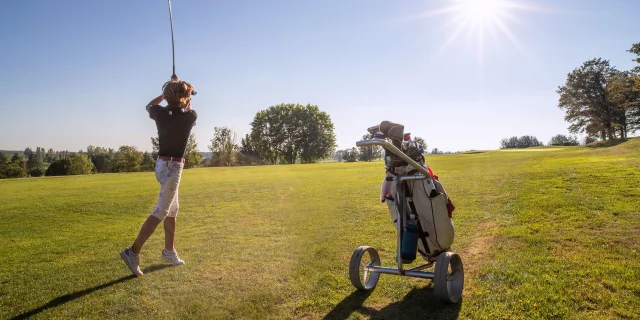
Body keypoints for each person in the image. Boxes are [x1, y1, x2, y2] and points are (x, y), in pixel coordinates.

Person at [120, 76, 197, 276]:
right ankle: (132, 251)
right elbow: (188, 107)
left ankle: (169, 252)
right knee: (161, 212)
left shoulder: (159, 112)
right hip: (173, 167)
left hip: (161, 165)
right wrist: (178, 89)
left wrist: (167, 92)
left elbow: (149, 105)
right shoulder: (190, 116)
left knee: (173, 211)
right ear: (183, 97)